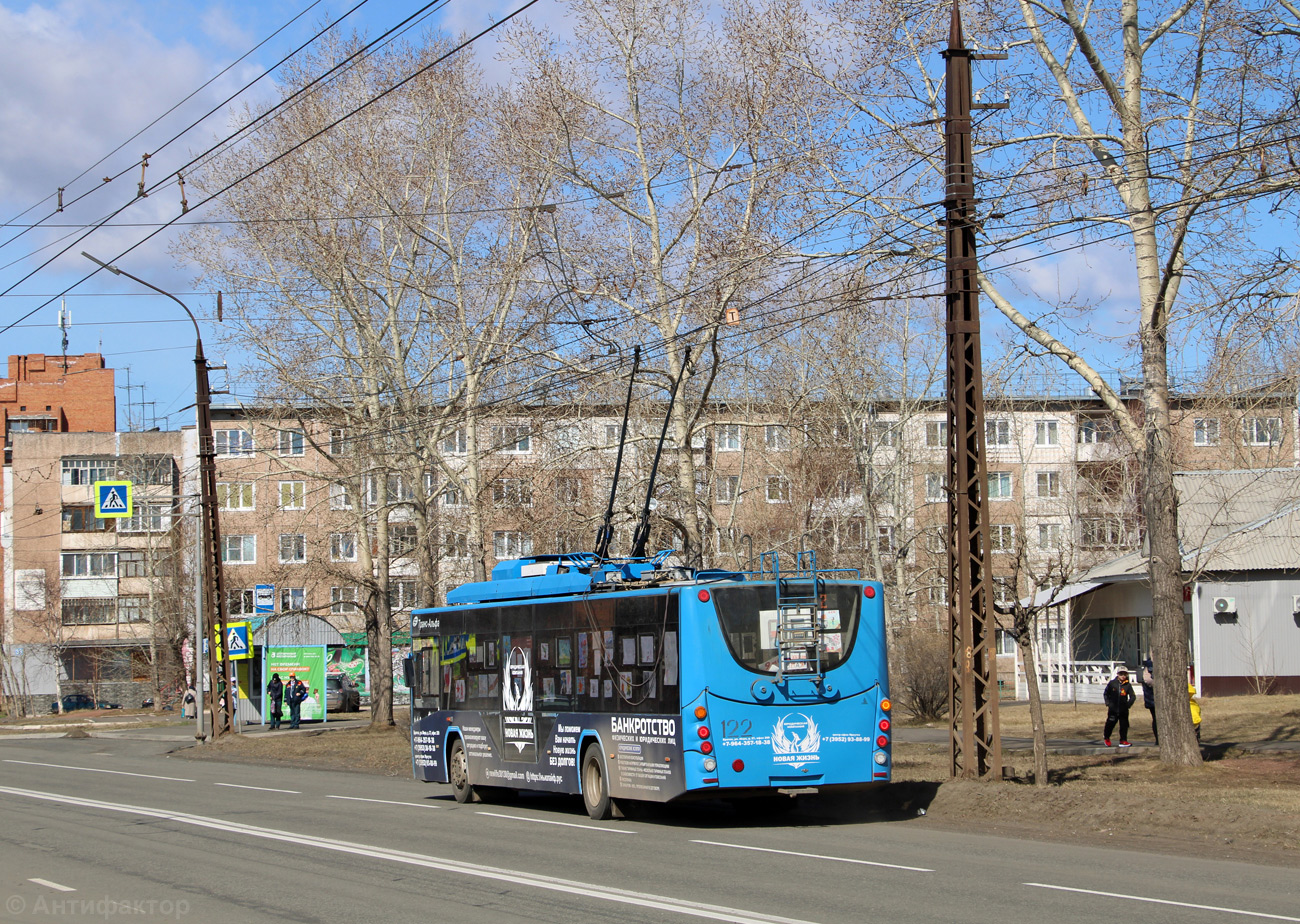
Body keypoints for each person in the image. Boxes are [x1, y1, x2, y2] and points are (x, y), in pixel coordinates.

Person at [1102, 667, 1136, 747]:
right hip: (1113, 709)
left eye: (1124, 674)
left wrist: (1128, 705)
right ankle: (1107, 737)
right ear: (1118, 674)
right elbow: (1106, 694)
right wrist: (1108, 703)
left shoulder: (1128, 685)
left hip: (1123, 710)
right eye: (1121, 674)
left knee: (1124, 725)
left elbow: (1133, 696)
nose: (1123, 676)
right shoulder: (1112, 683)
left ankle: (1123, 740)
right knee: (1110, 724)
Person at [1141, 658, 1157, 745]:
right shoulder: (1149, 665)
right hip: (1152, 698)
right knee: (1156, 719)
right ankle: (1158, 739)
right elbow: (1147, 680)